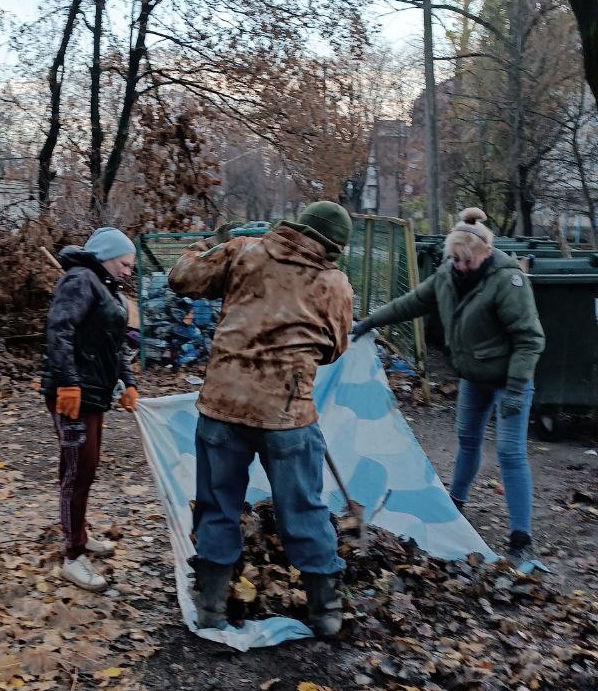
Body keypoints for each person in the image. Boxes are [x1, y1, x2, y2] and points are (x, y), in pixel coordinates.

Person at [167, 203, 354, 637]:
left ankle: (211, 607)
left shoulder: (242, 251)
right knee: (304, 510)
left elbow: (181, 277)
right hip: (288, 415)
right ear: (331, 247)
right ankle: (326, 613)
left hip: (222, 407)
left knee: (217, 505)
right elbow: (333, 349)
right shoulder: (332, 283)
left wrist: (210, 242)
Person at [352, 207, 545, 562]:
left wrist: (517, 387)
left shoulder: (507, 281)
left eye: (466, 260)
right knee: (467, 442)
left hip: (509, 380)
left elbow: (529, 338)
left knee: (510, 452)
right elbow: (412, 302)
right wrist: (369, 322)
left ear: (485, 253)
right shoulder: (447, 275)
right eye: (454, 259)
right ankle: (454, 507)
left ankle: (521, 538)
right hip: (473, 377)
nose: (459, 265)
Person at [42, 227, 139, 592]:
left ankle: (79, 536)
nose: (129, 271)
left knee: (87, 468)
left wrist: (127, 382)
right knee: (76, 471)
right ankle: (73, 557)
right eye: (124, 263)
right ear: (106, 257)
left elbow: (112, 346)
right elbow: (59, 329)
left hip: (94, 393)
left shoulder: (106, 287)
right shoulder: (80, 280)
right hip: (73, 394)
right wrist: (67, 382)